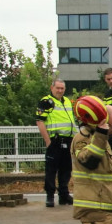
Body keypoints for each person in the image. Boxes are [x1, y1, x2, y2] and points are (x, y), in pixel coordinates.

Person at [36, 79, 77, 208]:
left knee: (66, 169)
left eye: (62, 88)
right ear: (52, 88)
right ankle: (49, 196)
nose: (60, 91)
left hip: (68, 139)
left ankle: (63, 195)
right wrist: (48, 141)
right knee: (51, 169)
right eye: (58, 88)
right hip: (55, 139)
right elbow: (40, 121)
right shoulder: (46, 102)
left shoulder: (67, 102)